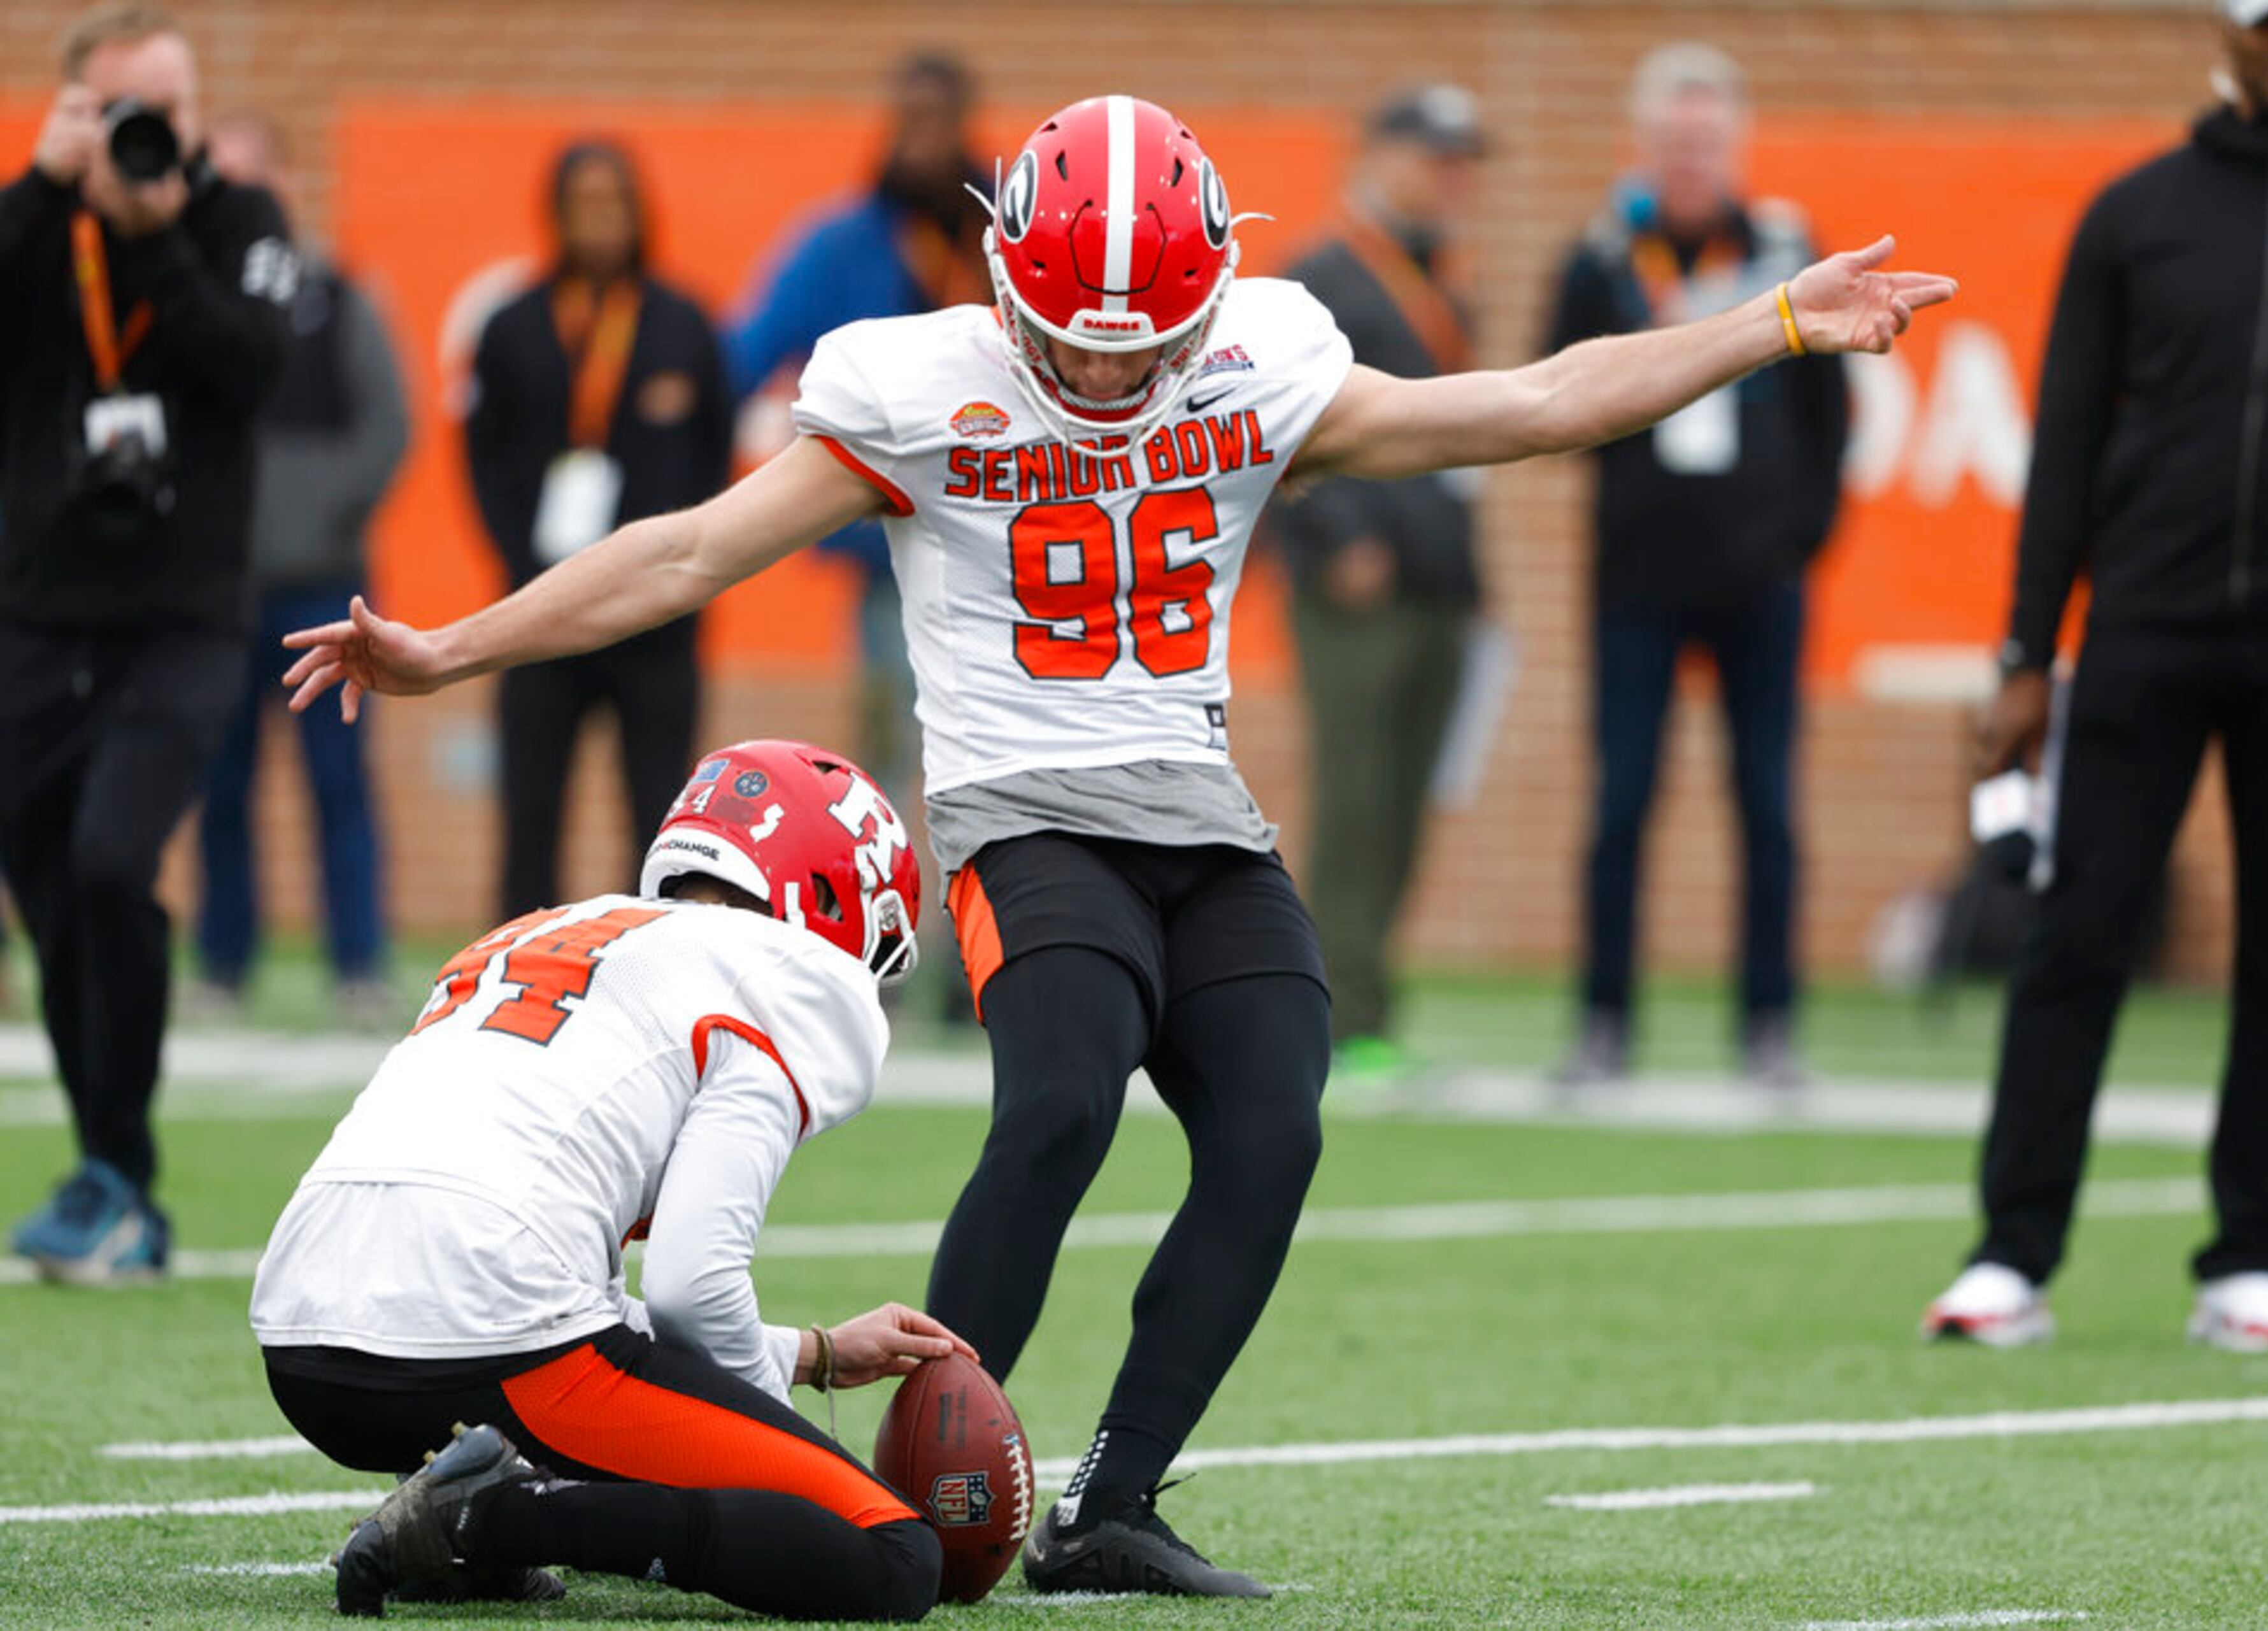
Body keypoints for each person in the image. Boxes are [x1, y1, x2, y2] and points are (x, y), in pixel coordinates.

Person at [284, 92, 1951, 1595]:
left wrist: (1777, 322)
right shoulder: (921, 387)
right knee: (1067, 1093)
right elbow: (685, 552)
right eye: (1069, 343)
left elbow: (1529, 404)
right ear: (1009, 276)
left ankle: (1112, 1504)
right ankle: (916, 1493)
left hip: (1199, 811)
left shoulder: (1265, 359)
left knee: (1277, 1122)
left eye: (1135, 345)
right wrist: (455, 646)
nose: (1096, 373)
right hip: (1021, 812)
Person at [1922, 0, 2268, 1353]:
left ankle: (2252, 1258)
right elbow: (2068, 445)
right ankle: (2010, 1253)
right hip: (2146, 630)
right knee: (2078, 935)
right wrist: (2029, 654)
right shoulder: (2137, 212)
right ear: (2233, 35)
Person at [250, 737, 962, 1621]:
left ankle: (462, 1513)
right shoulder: (788, 972)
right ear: (827, 894)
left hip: (304, 1345)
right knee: (892, 1554)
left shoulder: (539, 931)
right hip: (488, 1341)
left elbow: (562, 1288)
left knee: (555, 1346)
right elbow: (689, 1286)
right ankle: (494, 1517)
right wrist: (777, 1453)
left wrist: (805, 1353)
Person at [0, 4, 297, 1282]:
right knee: (54, 896)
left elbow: (256, 366)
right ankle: (111, 1161)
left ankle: (120, 1167)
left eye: (167, 111)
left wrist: (160, 239)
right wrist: (39, 186)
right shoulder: (36, 224)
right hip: (35, 617)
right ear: (74, 108)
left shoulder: (236, 223)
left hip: (182, 621)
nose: (149, 134)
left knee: (118, 857)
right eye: (122, 111)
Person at [1545, 43, 1851, 1092]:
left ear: (1734, 147)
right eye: (1673, 141)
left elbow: (1830, 411)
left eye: (1706, 141)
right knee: (1622, 799)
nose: (1690, 159)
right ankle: (1603, 1021)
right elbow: (1551, 397)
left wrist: (1802, 533)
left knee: (1767, 802)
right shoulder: (1601, 256)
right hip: (1635, 578)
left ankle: (1770, 1024)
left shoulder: (1783, 246)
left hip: (1761, 579)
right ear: (1646, 146)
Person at [1270, 84, 1488, 1088]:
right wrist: (1337, 537)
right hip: (1357, 591)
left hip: (1441, 584)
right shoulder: (1320, 279)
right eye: (1437, 158)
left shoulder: (1444, 279)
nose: (1454, 180)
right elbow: (1267, 420)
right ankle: (1336, 1012)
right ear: (1384, 155)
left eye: (1464, 163)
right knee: (1356, 803)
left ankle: (1370, 1004)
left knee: (1405, 805)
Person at [466, 138, 732, 920]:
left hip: (656, 621)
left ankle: (646, 961)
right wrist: (522, 565)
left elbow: (714, 453)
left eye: (615, 202)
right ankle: (516, 963)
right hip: (542, 610)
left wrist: (679, 568)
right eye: (584, 203)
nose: (601, 220)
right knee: (530, 809)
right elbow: (483, 457)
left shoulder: (683, 324)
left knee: (660, 813)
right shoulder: (512, 326)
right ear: (557, 214)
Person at [192, 110, 408, 1027]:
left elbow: (385, 430)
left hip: (324, 588)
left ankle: (358, 963)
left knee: (339, 781)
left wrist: (309, 520)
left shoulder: (337, 299)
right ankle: (222, 966)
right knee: (219, 786)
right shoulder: (186, 307)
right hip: (213, 591)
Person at [727, 51, 990, 798]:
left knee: (996, 749)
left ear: (965, 126)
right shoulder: (842, 245)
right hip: (894, 546)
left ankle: (987, 917)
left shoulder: (1006, 237)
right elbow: (747, 355)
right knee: (897, 745)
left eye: (939, 123)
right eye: (911, 123)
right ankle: (897, 911)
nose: (923, 141)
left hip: (1007, 533)